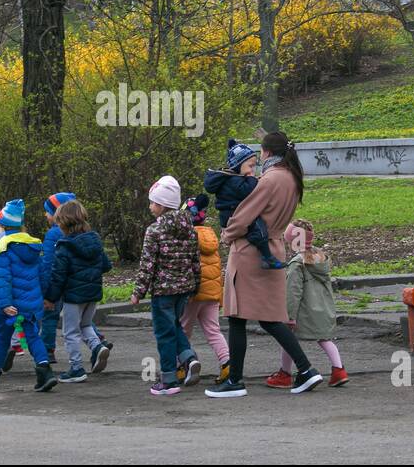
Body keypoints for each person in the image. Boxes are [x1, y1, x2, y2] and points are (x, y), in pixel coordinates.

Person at [206, 132, 323, 398]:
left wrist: (227, 234)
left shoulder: (270, 179)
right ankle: (305, 369)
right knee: (271, 318)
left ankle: (235, 381)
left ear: (268, 152)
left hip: (249, 251)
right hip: (274, 247)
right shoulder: (292, 178)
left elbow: (245, 214)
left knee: (236, 315)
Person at [0, 199, 58, 392]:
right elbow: (43, 274)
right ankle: (45, 371)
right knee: (33, 336)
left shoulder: (1, 246)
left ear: (2, 225)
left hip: (10, 305)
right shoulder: (33, 245)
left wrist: (3, 302)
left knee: (2, 337)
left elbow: (2, 278)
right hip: (31, 303)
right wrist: (44, 297)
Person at [132, 175, 201, 396]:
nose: (150, 206)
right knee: (175, 326)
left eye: (152, 202)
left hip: (163, 291)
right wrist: (196, 285)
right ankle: (189, 358)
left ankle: (169, 379)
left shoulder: (154, 230)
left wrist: (138, 291)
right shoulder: (189, 228)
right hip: (185, 288)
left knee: (164, 333)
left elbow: (147, 264)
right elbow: (195, 259)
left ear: (161, 204)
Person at [266, 219, 349, 388]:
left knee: (288, 340)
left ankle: (285, 374)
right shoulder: (321, 259)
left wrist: (289, 316)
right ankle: (339, 370)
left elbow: (293, 293)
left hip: (303, 312)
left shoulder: (297, 264)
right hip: (323, 310)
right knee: (325, 340)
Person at [45, 199, 114, 383]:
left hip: (73, 297)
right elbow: (106, 265)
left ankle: (76, 368)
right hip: (93, 294)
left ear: (64, 224)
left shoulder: (64, 246)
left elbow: (57, 276)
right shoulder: (95, 241)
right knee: (85, 325)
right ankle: (97, 347)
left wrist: (50, 298)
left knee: (70, 332)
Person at [204, 139, 284, 269]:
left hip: (229, 213)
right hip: (232, 214)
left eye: (254, 166)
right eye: (250, 166)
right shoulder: (234, 181)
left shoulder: (231, 179)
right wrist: (254, 179)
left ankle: (265, 256)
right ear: (238, 165)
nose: (253, 170)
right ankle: (267, 257)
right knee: (259, 229)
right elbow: (249, 190)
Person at [177, 194, 230, 385]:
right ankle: (227, 364)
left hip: (193, 293)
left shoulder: (186, 237)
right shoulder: (210, 235)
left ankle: (182, 366)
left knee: (183, 330)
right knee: (213, 331)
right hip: (212, 293)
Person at [39, 191, 76, 362]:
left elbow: (48, 264)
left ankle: (47, 350)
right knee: (79, 316)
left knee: (49, 315)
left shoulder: (53, 234)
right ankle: (98, 341)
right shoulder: (78, 232)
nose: (45, 215)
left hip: (57, 283)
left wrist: (47, 291)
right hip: (75, 282)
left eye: (47, 211)